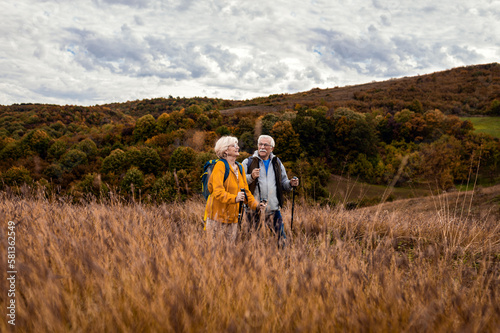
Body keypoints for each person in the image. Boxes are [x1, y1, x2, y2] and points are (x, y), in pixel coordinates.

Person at [204, 136, 265, 242]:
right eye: (234, 145)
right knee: (215, 254)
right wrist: (235, 198)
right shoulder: (220, 166)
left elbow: (246, 192)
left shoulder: (240, 167)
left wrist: (256, 205)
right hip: (217, 219)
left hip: (233, 220)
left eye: (237, 145)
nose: (237, 147)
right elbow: (217, 192)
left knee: (229, 254)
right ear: (225, 150)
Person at [243, 135, 299, 244]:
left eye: (265, 145)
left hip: (273, 208)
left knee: (281, 240)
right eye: (260, 144)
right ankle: (255, 260)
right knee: (254, 241)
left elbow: (284, 183)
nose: (262, 147)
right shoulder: (248, 161)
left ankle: (283, 260)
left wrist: (291, 184)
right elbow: (239, 181)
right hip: (253, 209)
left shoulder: (277, 162)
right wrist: (251, 177)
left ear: (272, 148)